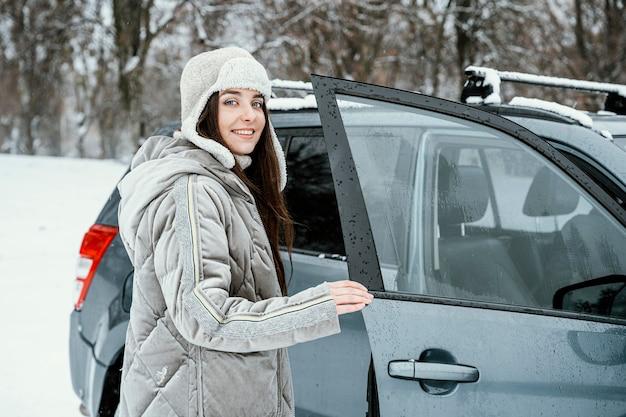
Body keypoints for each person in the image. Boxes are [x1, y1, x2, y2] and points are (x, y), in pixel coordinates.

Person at [116, 47, 373, 417]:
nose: (249, 115)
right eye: (231, 101)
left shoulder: (233, 186)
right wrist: (316, 307)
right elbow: (207, 315)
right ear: (203, 111)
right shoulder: (193, 191)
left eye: (257, 102)